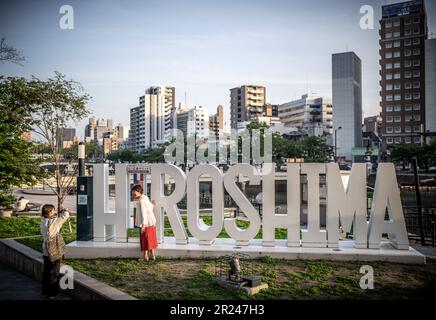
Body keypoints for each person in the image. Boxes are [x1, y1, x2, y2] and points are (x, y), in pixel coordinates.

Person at [40, 204, 70, 298]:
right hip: (54, 250)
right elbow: (66, 216)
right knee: (54, 272)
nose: (54, 212)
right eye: (53, 210)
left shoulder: (43, 221)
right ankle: (53, 293)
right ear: (49, 212)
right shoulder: (54, 222)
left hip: (46, 250)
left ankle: (45, 291)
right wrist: (65, 210)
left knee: (46, 271)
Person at [132, 184, 157, 261]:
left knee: (145, 239)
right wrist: (153, 204)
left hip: (145, 223)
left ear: (138, 191)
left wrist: (143, 225)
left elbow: (143, 213)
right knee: (151, 238)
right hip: (151, 222)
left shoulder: (141, 200)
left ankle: (145, 256)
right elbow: (150, 208)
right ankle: (153, 255)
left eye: (134, 193)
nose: (133, 194)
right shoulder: (145, 197)